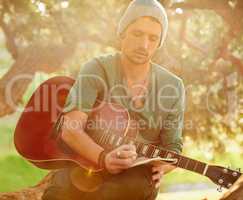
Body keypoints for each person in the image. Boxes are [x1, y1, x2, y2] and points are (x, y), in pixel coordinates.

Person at [42, 0, 186, 199]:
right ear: (123, 32)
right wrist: (103, 158)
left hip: (135, 175)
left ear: (159, 43)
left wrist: (163, 167)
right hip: (86, 159)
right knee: (58, 194)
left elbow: (172, 148)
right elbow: (70, 129)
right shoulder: (96, 68)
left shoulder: (174, 86)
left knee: (114, 192)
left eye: (153, 38)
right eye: (137, 34)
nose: (144, 45)